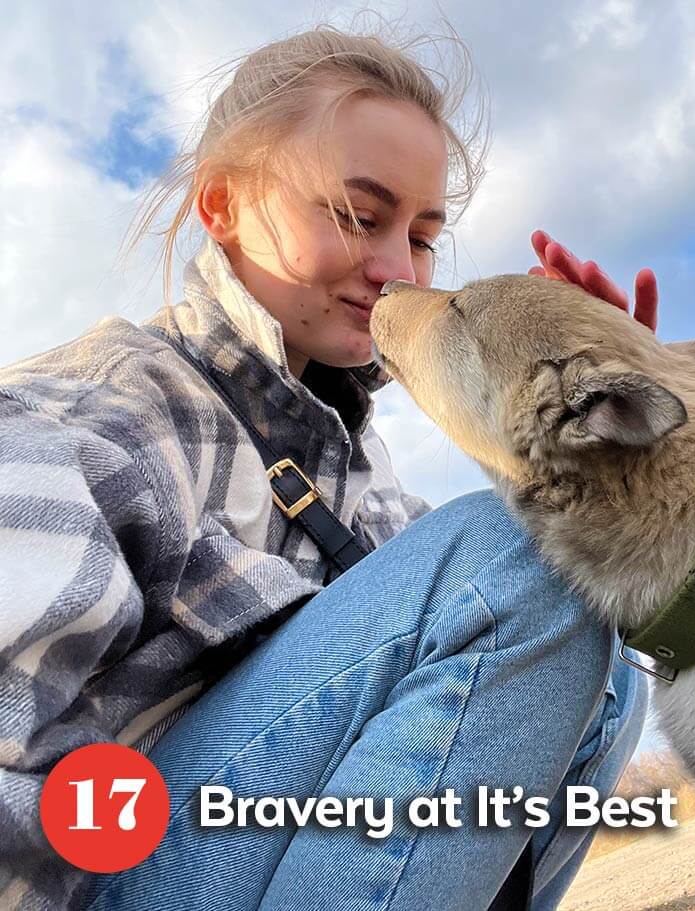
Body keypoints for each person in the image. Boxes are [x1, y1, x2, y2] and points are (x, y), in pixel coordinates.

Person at [0, 23, 658, 911]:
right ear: (223, 205)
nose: (397, 270)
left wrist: (595, 444)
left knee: (598, 644)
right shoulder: (102, 410)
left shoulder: (366, 472)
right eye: (357, 213)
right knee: (518, 555)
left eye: (423, 237)